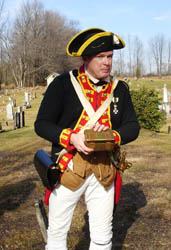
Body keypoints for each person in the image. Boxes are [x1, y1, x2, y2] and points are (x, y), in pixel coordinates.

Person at [34, 27, 140, 250]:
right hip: (68, 168)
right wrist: (72, 138)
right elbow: (42, 124)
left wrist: (112, 136)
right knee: (57, 233)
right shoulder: (63, 84)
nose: (107, 62)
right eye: (100, 57)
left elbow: (133, 127)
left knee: (102, 237)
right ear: (85, 58)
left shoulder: (119, 89)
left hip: (104, 169)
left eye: (110, 56)